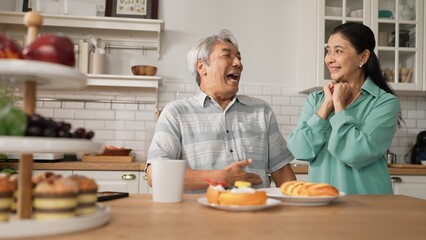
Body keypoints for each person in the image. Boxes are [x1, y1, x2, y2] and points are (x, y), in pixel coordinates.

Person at [145, 29, 296, 193]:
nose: (238, 63)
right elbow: (156, 175)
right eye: (227, 56)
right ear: (202, 67)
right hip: (199, 217)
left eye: (239, 57)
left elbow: (283, 174)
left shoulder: (261, 111)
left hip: (256, 214)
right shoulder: (175, 113)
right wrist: (219, 177)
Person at [288, 22, 403, 194]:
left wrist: (339, 106)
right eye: (328, 51)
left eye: (338, 51)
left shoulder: (385, 103)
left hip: (369, 205)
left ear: (363, 57)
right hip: (322, 202)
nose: (329, 58)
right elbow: (299, 150)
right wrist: (327, 105)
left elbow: (357, 153)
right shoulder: (316, 100)